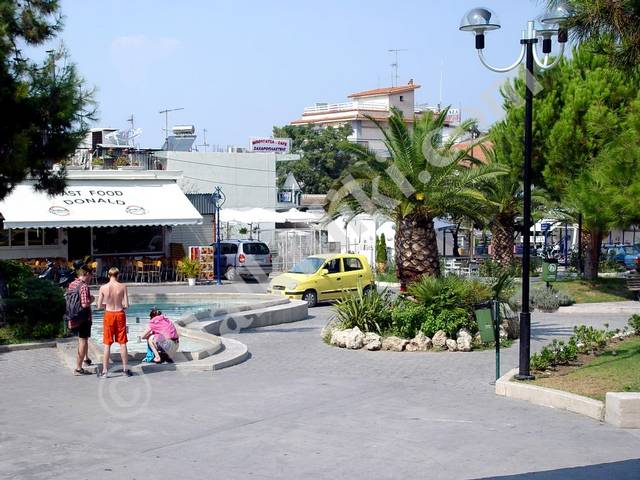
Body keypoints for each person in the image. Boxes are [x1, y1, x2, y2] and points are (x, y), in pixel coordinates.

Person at [97, 267, 131, 377]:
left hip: (109, 314)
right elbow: (126, 305)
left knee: (107, 344)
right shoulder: (123, 287)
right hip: (120, 314)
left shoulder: (103, 287)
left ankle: (105, 371)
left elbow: (98, 306)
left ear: (108, 275)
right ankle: (125, 369)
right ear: (118, 275)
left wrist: (106, 305)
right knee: (122, 343)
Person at [67, 265, 94, 375]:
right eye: (91, 275)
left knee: (82, 339)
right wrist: (91, 299)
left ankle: (86, 359)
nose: (91, 278)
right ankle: (78, 368)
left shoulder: (72, 284)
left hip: (73, 316)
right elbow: (84, 304)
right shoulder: (83, 286)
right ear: (86, 274)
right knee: (83, 340)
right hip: (83, 317)